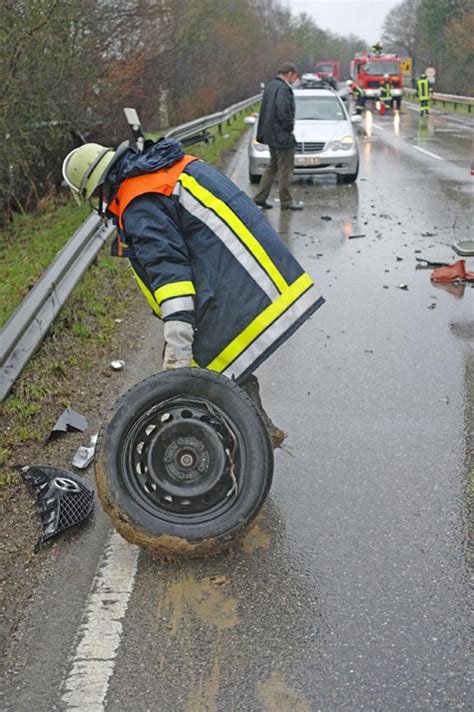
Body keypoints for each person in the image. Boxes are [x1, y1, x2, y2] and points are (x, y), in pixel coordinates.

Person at [62, 138, 325, 447]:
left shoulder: (138, 201)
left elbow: (169, 270)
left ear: (97, 189)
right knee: (219, 360)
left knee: (201, 366)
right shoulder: (153, 172)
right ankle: (258, 436)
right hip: (250, 270)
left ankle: (226, 450)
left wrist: (177, 339)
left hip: (243, 280)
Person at [252, 61, 303, 211]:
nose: (295, 80)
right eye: (294, 77)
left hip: (270, 134)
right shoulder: (283, 88)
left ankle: (260, 198)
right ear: (289, 73)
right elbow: (283, 110)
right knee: (285, 169)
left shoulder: (271, 86)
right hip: (281, 135)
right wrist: (288, 127)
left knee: (272, 166)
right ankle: (286, 202)